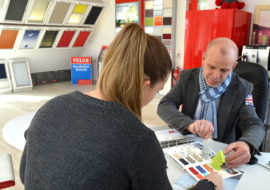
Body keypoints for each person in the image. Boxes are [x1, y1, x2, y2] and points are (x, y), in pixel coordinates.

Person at [20, 23, 222, 190]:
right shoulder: (138, 140)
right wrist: (209, 186)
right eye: (157, 89)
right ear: (145, 83)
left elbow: (25, 174)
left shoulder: (51, 108)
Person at [158, 37, 265, 169]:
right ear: (203, 59)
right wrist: (189, 124)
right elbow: (165, 104)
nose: (216, 76)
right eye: (211, 67)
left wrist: (247, 144)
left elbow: (254, 124)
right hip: (187, 148)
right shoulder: (187, 77)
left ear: (233, 66)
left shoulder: (243, 88)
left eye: (224, 70)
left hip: (221, 155)